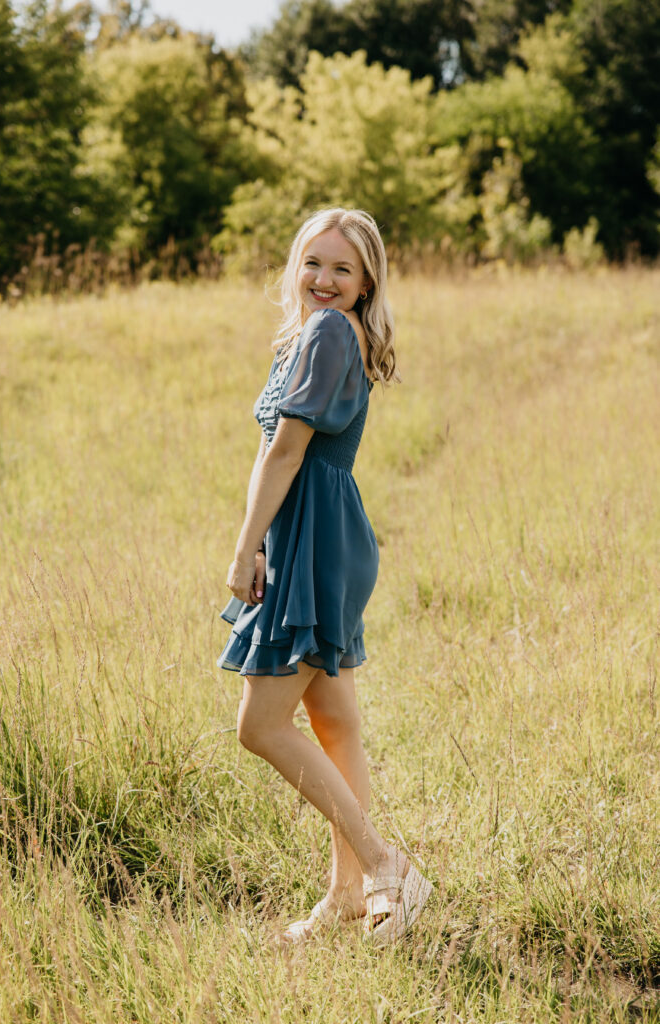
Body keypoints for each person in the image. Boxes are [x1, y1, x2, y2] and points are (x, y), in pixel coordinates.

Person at [217, 207, 431, 945]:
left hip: (314, 539)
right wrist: (261, 536)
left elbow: (284, 454)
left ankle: (385, 867)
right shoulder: (310, 334)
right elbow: (273, 452)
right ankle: (345, 894)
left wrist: (245, 547)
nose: (324, 279)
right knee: (333, 722)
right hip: (312, 532)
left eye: (343, 269)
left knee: (261, 725)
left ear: (366, 279)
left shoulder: (329, 332)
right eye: (314, 263)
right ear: (294, 266)